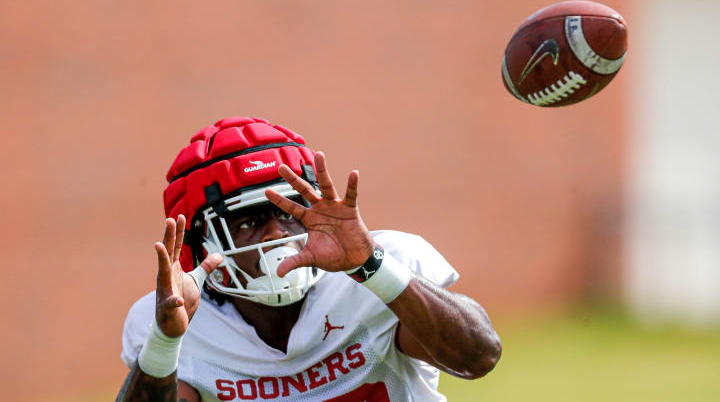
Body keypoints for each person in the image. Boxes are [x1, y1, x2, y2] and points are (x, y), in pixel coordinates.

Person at [117, 117, 502, 402]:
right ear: (201, 245)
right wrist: (164, 342)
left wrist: (371, 266)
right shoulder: (179, 323)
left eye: (288, 213)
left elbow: (479, 357)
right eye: (249, 221)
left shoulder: (379, 270)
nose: (277, 234)